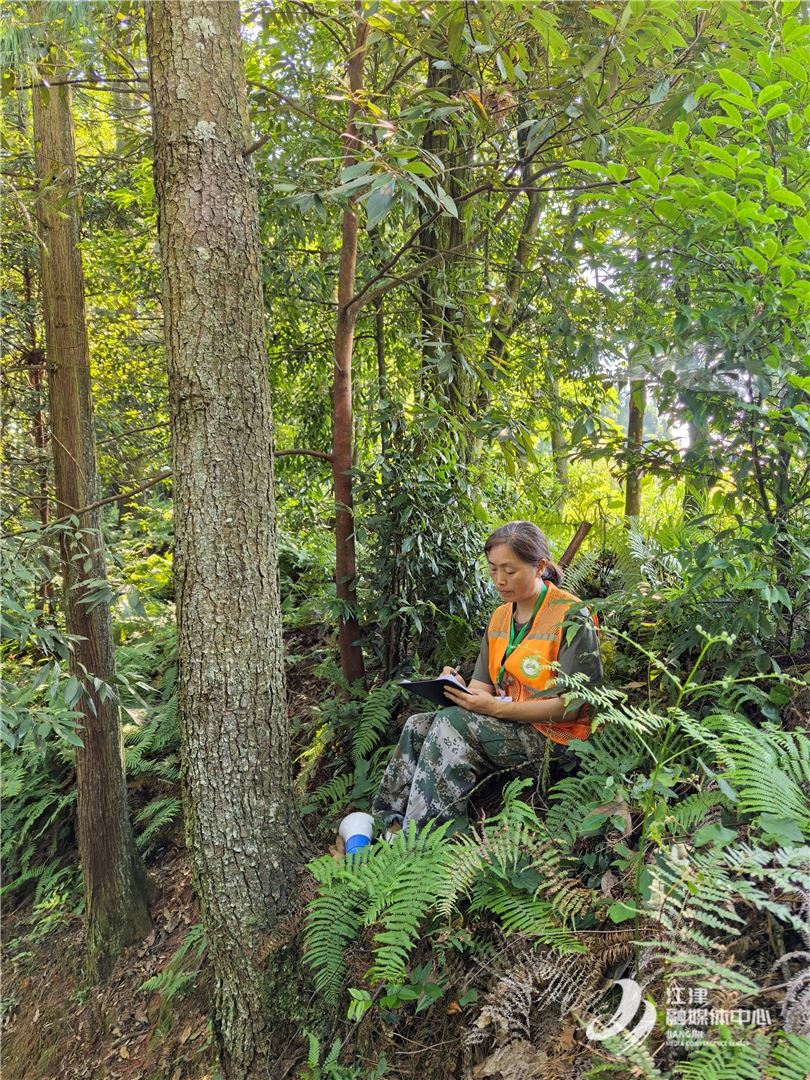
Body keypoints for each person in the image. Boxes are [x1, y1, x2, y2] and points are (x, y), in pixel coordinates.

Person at [372, 521, 602, 832]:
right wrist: (456, 686)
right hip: (508, 724)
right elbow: (480, 688)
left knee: (450, 724)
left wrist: (497, 708)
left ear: (540, 567)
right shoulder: (500, 617)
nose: (499, 580)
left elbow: (572, 705)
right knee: (417, 725)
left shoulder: (572, 615)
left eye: (509, 570)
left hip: (557, 740)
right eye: (493, 570)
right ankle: (387, 823)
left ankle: (424, 843)